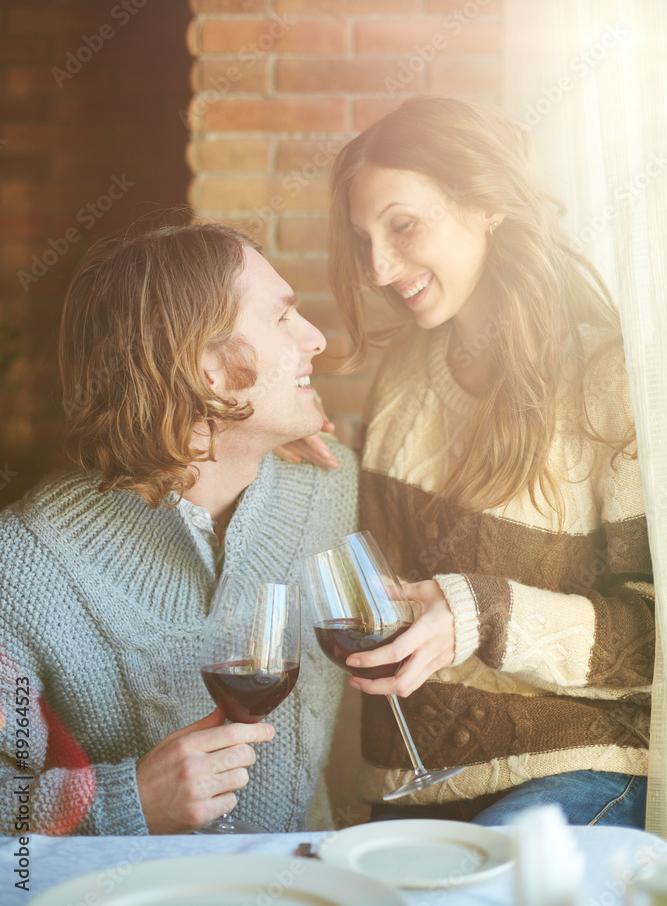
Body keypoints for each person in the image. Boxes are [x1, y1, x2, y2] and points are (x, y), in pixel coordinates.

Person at [288, 96, 653, 827]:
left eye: (403, 226)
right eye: (364, 240)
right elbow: (377, 570)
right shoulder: (402, 376)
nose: (379, 267)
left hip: (572, 770)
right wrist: (276, 455)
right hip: (410, 784)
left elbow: (651, 641)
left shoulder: (612, 379)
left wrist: (482, 615)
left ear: (488, 203)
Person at [0, 219, 357, 836]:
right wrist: (124, 803)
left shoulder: (329, 485)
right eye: (282, 318)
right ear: (205, 367)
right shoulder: (26, 559)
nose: (317, 339)